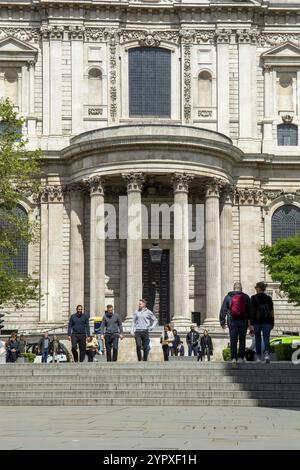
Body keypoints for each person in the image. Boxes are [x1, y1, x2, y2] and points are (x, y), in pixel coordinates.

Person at [220, 282, 253, 364]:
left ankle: (233, 358)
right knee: (242, 340)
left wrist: (222, 321)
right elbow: (250, 311)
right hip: (243, 322)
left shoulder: (228, 297)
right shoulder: (246, 297)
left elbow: (223, 310)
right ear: (241, 289)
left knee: (233, 340)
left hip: (232, 322)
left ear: (233, 288)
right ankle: (240, 358)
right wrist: (251, 324)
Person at [250, 282, 274, 363]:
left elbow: (251, 312)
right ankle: (267, 355)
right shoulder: (269, 298)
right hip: (267, 322)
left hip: (256, 322)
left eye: (256, 287)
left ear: (259, 288)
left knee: (258, 339)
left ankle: (258, 357)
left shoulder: (253, 298)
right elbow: (271, 311)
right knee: (266, 338)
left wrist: (250, 324)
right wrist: (272, 322)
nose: (255, 288)